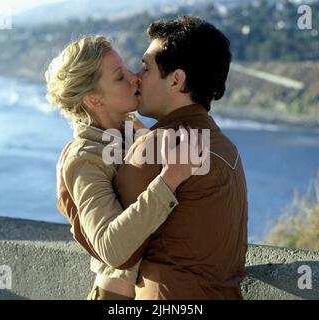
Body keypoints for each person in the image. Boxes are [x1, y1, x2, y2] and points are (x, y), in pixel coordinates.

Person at [45, 35, 203, 300]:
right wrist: (170, 179)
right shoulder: (85, 158)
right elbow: (112, 248)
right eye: (119, 77)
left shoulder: (134, 133)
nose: (135, 77)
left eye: (128, 68)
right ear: (95, 100)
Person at [111, 16, 249, 299]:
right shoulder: (226, 148)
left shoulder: (157, 146)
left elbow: (117, 251)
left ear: (176, 80)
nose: (137, 76)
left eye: (146, 68)